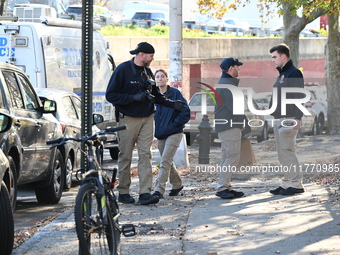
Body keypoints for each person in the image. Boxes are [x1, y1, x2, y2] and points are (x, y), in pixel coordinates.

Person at [105, 42, 188, 205]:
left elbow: (157, 96)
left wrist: (172, 104)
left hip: (148, 117)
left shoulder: (147, 71)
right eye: (151, 56)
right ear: (141, 54)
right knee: (125, 156)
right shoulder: (123, 70)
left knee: (146, 155)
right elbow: (111, 95)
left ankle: (145, 192)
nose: (152, 59)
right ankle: (124, 192)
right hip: (128, 118)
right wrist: (133, 98)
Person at [268, 43, 305, 196]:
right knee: (282, 153)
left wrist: (297, 118)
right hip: (279, 118)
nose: (273, 60)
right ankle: (286, 183)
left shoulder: (294, 73)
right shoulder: (282, 73)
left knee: (287, 151)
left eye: (274, 57)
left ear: (284, 56)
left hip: (288, 118)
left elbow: (299, 96)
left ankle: (297, 184)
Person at [151, 69, 190, 199]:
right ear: (155, 80)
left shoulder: (175, 94)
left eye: (162, 76)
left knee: (165, 161)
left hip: (174, 132)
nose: (160, 78)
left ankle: (158, 190)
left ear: (167, 79)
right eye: (157, 77)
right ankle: (177, 184)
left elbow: (185, 111)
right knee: (167, 162)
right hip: (161, 134)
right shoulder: (153, 95)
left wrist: (175, 125)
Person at [214, 57, 248, 199]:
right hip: (230, 126)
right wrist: (246, 124)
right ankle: (222, 187)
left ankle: (225, 185)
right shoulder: (228, 85)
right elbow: (235, 108)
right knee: (232, 157)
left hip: (226, 125)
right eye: (237, 66)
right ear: (230, 68)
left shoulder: (225, 83)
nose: (239, 69)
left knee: (227, 157)